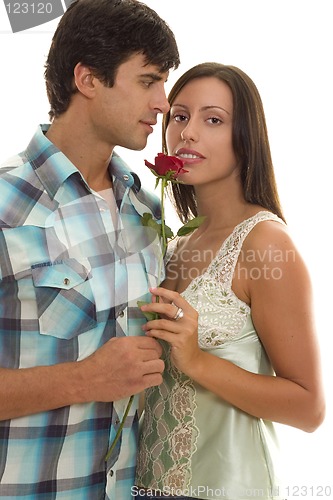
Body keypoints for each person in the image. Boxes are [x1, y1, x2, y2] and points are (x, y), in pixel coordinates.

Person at [0, 0, 180, 498]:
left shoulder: (147, 212)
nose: (163, 103)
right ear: (87, 79)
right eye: (148, 81)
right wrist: (83, 380)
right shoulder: (5, 206)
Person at [134, 63, 325, 500]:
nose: (188, 133)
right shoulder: (174, 244)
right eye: (179, 116)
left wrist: (198, 361)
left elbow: (309, 408)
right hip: (146, 486)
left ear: (246, 138)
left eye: (213, 119)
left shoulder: (265, 243)